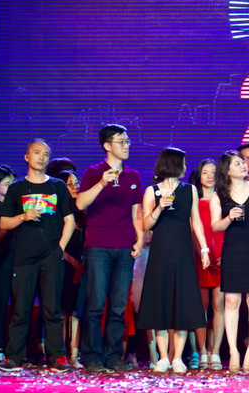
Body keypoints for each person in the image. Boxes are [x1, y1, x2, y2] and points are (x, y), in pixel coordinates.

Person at [0, 139, 74, 372]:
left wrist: (60, 249)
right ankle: (14, 357)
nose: (42, 157)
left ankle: (57, 357)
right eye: (37, 153)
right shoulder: (17, 188)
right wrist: (23, 216)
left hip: (51, 257)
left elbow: (69, 220)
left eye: (46, 154)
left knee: (52, 310)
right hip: (23, 258)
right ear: (27, 157)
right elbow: (4, 223)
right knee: (20, 310)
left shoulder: (57, 186)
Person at [76, 124, 144, 373]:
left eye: (127, 141)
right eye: (121, 142)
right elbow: (80, 203)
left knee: (118, 306)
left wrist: (139, 239)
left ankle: (114, 355)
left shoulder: (133, 175)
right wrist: (101, 183)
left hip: (125, 247)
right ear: (107, 145)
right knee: (95, 304)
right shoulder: (93, 172)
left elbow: (137, 213)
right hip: (98, 246)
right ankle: (92, 356)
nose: (126, 145)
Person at [137, 147, 210, 374]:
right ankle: (163, 358)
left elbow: (196, 221)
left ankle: (177, 357)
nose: (186, 167)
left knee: (182, 303)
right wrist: (159, 207)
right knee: (160, 304)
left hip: (183, 254)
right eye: (183, 163)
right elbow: (146, 224)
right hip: (160, 254)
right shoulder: (152, 191)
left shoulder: (190, 190)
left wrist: (204, 248)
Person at [210, 150, 249, 373]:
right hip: (233, 251)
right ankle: (233, 351)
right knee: (231, 301)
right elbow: (215, 226)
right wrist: (229, 217)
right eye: (237, 163)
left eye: (243, 162)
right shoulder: (219, 195)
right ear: (227, 170)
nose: (244, 165)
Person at [188, 158, 225, 370]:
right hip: (200, 259)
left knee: (219, 305)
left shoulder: (224, 200)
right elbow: (192, 230)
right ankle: (202, 351)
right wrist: (200, 253)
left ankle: (216, 351)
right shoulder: (193, 201)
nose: (210, 176)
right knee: (200, 306)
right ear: (199, 176)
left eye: (213, 172)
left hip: (222, 258)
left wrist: (225, 254)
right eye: (205, 172)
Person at [57, 170, 87, 369]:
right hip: (63, 265)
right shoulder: (58, 211)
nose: (76, 186)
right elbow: (54, 243)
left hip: (82, 267)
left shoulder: (84, 211)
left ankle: (75, 355)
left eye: (77, 182)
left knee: (77, 311)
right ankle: (60, 354)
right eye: (70, 183)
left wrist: (81, 263)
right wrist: (72, 262)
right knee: (62, 312)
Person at [0, 164, 17, 363]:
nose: (12, 187)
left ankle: (16, 349)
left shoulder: (20, 205)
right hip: (1, 260)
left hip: (20, 260)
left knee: (19, 306)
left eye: (13, 183)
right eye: (7, 184)